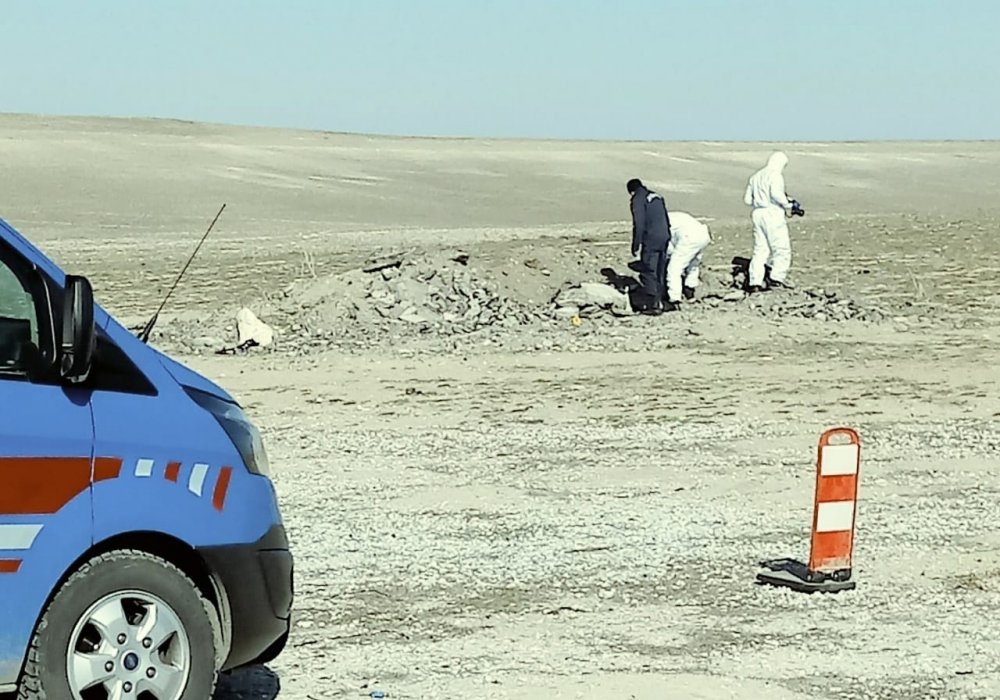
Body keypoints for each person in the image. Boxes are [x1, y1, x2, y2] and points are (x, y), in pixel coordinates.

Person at [743, 151, 796, 292]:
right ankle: (776, 279)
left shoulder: (755, 176)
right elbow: (776, 194)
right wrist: (788, 204)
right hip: (772, 213)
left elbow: (747, 200)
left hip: (757, 213)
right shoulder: (775, 175)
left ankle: (755, 281)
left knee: (760, 249)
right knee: (781, 248)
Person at [627, 178, 671, 314]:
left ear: (631, 191)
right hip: (664, 236)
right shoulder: (657, 196)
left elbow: (639, 223)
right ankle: (663, 300)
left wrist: (636, 244)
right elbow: (666, 218)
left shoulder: (638, 199)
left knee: (648, 269)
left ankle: (653, 304)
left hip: (651, 238)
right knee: (660, 269)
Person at [664, 210, 712, 310]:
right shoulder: (672, 216)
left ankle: (674, 298)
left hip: (689, 237)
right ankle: (690, 290)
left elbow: (669, 248)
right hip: (703, 234)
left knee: (674, 268)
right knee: (693, 263)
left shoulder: (660, 223)